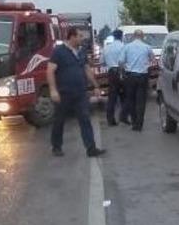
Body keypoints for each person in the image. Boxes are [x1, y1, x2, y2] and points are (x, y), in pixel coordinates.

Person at [47, 28, 105, 157]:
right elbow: (50, 71)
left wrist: (96, 86)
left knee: (85, 119)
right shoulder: (59, 52)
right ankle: (56, 146)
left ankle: (91, 148)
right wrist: (53, 90)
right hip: (64, 92)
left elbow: (86, 69)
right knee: (59, 120)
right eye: (79, 36)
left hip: (80, 92)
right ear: (72, 37)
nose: (82, 39)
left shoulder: (81, 52)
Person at [120, 29, 155, 131]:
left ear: (133, 36)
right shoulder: (147, 47)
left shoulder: (127, 47)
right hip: (142, 76)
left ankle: (134, 121)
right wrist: (146, 63)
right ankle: (139, 124)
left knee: (131, 100)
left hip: (130, 76)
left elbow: (121, 61)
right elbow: (153, 60)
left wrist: (123, 72)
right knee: (141, 101)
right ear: (142, 36)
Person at [103, 29, 127, 126]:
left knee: (112, 97)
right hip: (123, 72)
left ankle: (110, 120)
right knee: (125, 96)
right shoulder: (124, 47)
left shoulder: (106, 48)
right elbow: (127, 60)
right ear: (121, 37)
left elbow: (102, 61)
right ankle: (123, 117)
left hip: (112, 73)